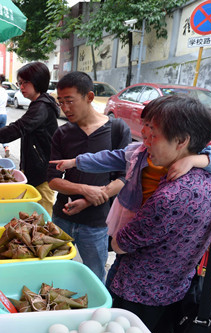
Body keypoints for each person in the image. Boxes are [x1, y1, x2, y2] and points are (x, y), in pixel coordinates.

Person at [51, 99, 211, 287]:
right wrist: (76, 162)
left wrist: (195, 160)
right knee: (122, 254)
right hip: (135, 216)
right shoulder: (142, 152)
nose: (144, 132)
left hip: (154, 230)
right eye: (145, 125)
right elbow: (111, 158)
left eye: (151, 127)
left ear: (181, 141)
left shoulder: (178, 184)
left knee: (123, 251)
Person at [109, 94, 211, 333]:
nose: (145, 141)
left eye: (153, 135)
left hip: (137, 293)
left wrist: (118, 235)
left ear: (182, 141)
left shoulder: (169, 195)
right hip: (176, 288)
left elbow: (120, 244)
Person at [47, 71, 131, 282]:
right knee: (54, 274)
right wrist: (84, 190)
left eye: (70, 101)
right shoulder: (63, 133)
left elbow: (124, 177)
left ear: (89, 97)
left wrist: (91, 199)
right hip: (62, 217)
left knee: (94, 277)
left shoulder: (117, 129)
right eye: (61, 102)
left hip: (97, 222)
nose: (65, 108)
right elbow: (52, 179)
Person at [0, 62, 60, 214]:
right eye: (20, 83)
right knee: (33, 211)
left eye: (25, 83)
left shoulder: (41, 107)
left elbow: (18, 128)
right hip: (37, 168)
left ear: (38, 81)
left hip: (43, 171)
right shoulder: (38, 104)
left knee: (42, 214)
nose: (21, 87)